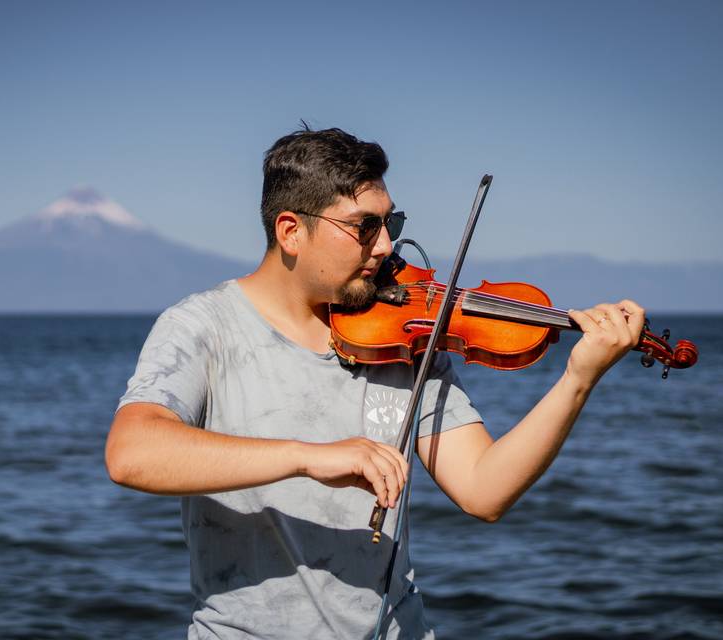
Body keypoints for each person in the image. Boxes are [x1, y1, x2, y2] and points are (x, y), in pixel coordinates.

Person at [105, 127, 644, 639]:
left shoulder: (407, 334)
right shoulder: (203, 327)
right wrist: (307, 455)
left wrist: (578, 379)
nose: (386, 246)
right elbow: (132, 453)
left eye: (392, 223)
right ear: (291, 231)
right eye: (364, 227)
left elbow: (485, 491)